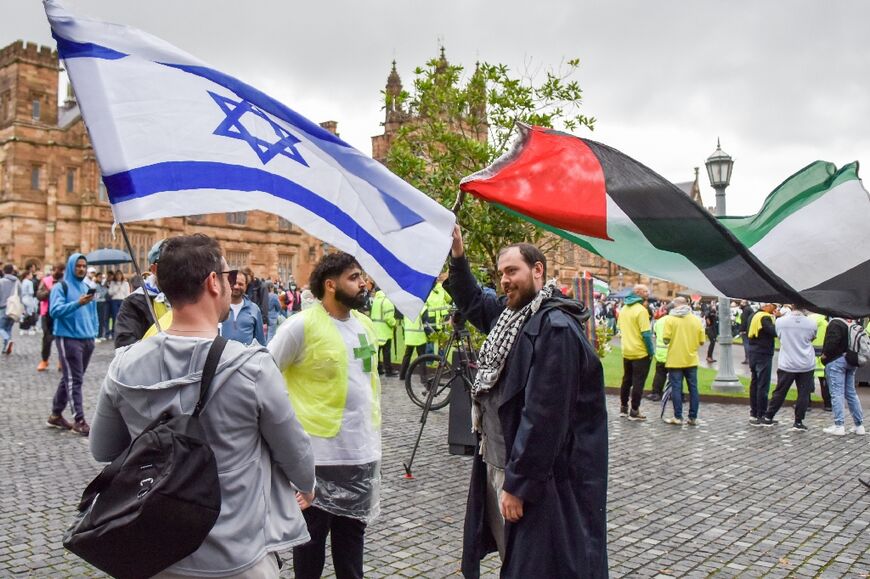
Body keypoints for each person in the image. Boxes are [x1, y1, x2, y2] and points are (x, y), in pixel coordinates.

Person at [90, 233, 315, 577]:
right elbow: (295, 453)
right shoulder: (252, 367)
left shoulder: (124, 364)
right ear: (213, 282)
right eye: (228, 275)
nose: (232, 282)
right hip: (236, 556)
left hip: (157, 554)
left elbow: (103, 448)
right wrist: (307, 486)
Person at [444, 225, 607, 579]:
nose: (505, 280)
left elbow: (544, 419)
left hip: (532, 478)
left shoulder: (555, 328)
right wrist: (458, 253)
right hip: (497, 461)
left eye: (512, 271)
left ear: (538, 270)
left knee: (535, 564)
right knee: (513, 556)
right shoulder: (512, 316)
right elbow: (474, 300)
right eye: (501, 273)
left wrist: (519, 487)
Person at [268, 252, 382, 579]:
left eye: (362, 276)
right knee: (310, 546)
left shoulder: (365, 326)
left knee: (351, 549)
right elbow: (264, 375)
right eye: (354, 278)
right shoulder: (300, 326)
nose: (363, 284)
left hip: (361, 454)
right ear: (331, 285)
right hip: (317, 459)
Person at [47, 253, 98, 435]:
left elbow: (93, 313)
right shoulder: (60, 287)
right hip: (68, 338)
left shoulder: (87, 287)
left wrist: (94, 332)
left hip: (87, 339)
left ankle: (55, 414)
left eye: (84, 266)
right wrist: (77, 303)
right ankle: (79, 420)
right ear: (71, 266)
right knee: (74, 379)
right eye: (78, 266)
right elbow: (54, 311)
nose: (81, 269)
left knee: (70, 378)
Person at [760, 308, 817, 430]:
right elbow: (812, 337)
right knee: (803, 394)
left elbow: (778, 335)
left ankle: (769, 416)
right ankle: (798, 421)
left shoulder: (781, 322)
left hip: (787, 363)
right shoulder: (811, 323)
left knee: (780, 391)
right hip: (806, 363)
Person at [114, 240, 169, 348]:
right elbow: (125, 345)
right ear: (154, 269)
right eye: (170, 265)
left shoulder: (192, 296)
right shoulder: (134, 302)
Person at [661, 297, 706, 426]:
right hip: (691, 359)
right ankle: (693, 417)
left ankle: (678, 416)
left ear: (675, 305)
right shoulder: (696, 320)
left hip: (675, 359)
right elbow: (702, 341)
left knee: (676, 388)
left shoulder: (670, 319)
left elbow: (665, 339)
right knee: (693, 388)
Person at [821, 318, 865, 436]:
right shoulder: (853, 323)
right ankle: (859, 425)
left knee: (837, 393)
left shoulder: (835, 323)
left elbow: (832, 343)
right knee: (851, 393)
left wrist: (825, 355)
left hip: (836, 361)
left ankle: (839, 425)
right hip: (851, 360)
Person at [617, 284, 654, 420]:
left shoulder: (624, 309)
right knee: (638, 382)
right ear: (639, 293)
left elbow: (619, 328)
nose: (648, 293)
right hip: (640, 352)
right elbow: (646, 334)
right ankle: (634, 410)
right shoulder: (641, 310)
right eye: (645, 291)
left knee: (626, 380)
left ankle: (623, 407)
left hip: (627, 351)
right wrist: (651, 351)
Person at [747, 303, 778, 425]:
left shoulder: (753, 315)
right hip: (763, 353)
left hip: (753, 352)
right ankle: (761, 414)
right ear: (767, 306)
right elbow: (774, 332)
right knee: (763, 385)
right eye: (774, 307)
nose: (775, 309)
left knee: (754, 383)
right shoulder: (765, 317)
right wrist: (777, 319)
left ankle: (753, 412)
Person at [220, 270, 266, 346]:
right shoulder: (219, 307)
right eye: (234, 283)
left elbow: (260, 341)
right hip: (223, 353)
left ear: (246, 286)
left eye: (240, 284)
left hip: (246, 353)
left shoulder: (254, 309)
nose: (236, 287)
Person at [36, 263, 64, 371]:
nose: (58, 272)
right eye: (56, 269)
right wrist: (49, 291)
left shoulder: (66, 282)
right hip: (47, 314)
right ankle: (44, 360)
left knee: (62, 338)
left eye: (61, 270)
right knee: (47, 338)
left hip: (61, 313)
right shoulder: (46, 281)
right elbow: (39, 295)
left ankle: (62, 361)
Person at [646, 303, 673, 401]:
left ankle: (656, 393)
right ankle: (674, 394)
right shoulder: (675, 321)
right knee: (675, 376)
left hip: (661, 352)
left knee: (659, 374)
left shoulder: (659, 322)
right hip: (672, 353)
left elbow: (656, 333)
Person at [370, 286, 398, 376]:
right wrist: (394, 323)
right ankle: (389, 371)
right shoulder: (387, 301)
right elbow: (388, 318)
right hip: (385, 331)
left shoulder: (375, 300)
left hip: (375, 330)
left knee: (377, 352)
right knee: (386, 352)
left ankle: (379, 369)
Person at [808, 312, 832, 411]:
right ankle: (828, 404)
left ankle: (807, 404)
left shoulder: (807, 321)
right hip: (822, 355)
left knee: (806, 380)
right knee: (824, 381)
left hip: (809, 354)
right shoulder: (825, 323)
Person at [398, 308, 429, 380]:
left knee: (407, 355)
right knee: (422, 357)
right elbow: (426, 324)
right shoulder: (422, 308)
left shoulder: (406, 308)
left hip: (409, 335)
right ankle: (423, 377)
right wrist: (429, 334)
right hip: (419, 336)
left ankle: (402, 375)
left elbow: (403, 322)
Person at [0, 264, 22, 354]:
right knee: (8, 328)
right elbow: (20, 295)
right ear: (12, 271)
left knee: (1, 328)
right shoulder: (17, 282)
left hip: (3, 307)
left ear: (4, 271)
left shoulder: (1, 281)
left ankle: (7, 339)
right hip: (14, 308)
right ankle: (5, 347)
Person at [106, 270, 130, 339]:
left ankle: (122, 333)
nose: (118, 276)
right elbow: (110, 292)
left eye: (120, 275)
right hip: (114, 301)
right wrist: (117, 289)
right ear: (115, 276)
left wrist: (127, 302)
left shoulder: (125, 283)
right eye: (117, 275)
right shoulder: (113, 283)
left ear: (122, 275)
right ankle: (114, 333)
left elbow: (127, 293)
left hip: (122, 301)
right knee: (115, 317)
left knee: (122, 317)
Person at [92, 271, 109, 342]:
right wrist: (105, 289)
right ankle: (96, 335)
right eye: (99, 277)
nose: (101, 278)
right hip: (98, 303)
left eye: (101, 277)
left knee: (102, 319)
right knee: (98, 319)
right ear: (96, 277)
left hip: (102, 303)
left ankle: (101, 335)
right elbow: (98, 295)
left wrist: (104, 289)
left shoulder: (101, 285)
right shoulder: (95, 285)